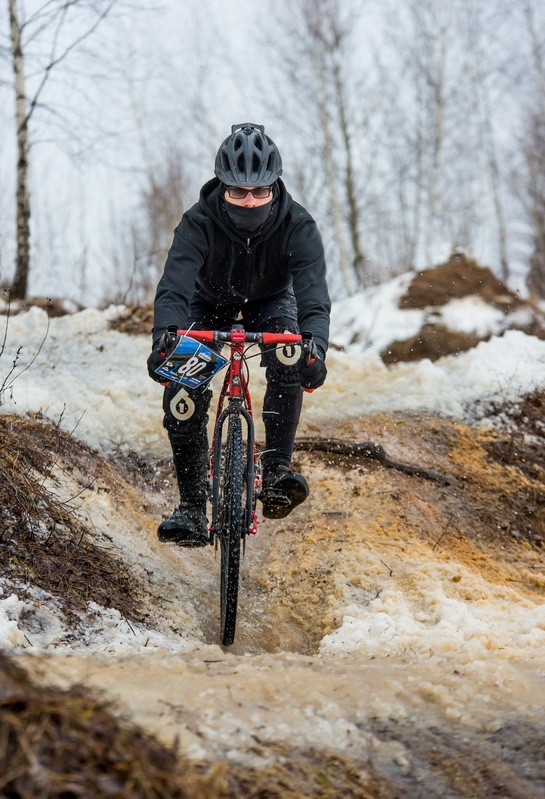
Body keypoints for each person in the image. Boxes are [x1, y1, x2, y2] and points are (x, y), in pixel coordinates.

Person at [147, 123, 330, 546]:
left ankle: (278, 470)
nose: (250, 200)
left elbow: (313, 299)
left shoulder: (299, 225)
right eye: (237, 192)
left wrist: (315, 346)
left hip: (272, 304)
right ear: (222, 187)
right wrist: (164, 338)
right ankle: (192, 507)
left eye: (259, 192)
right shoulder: (196, 222)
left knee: (290, 354)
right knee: (182, 390)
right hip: (205, 303)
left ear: (275, 185)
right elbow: (173, 287)